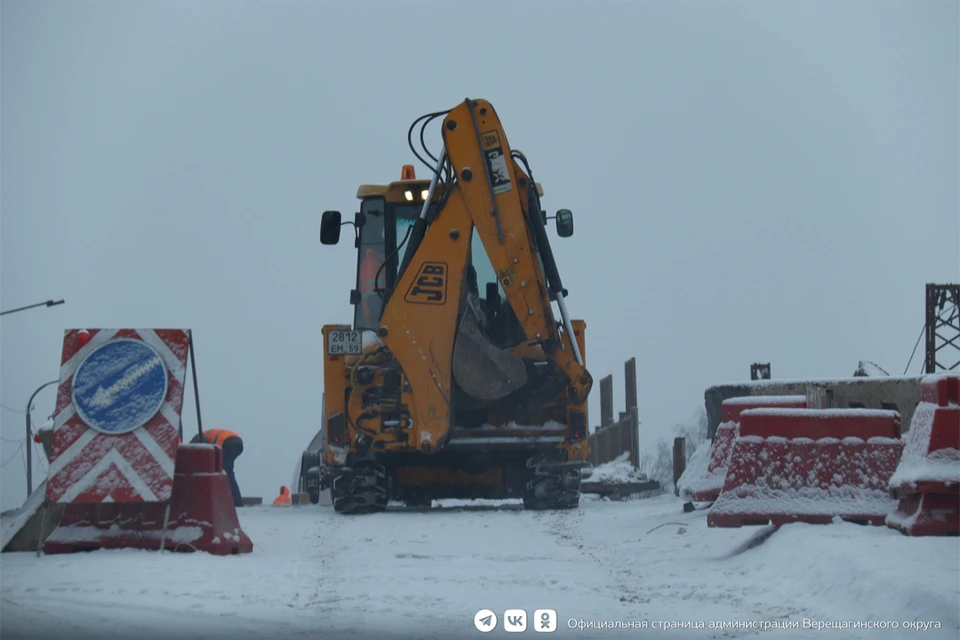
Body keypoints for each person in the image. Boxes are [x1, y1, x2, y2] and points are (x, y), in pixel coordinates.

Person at [190, 429, 245, 507]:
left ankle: (236, 501)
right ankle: (232, 499)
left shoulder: (198, 439)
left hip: (229, 443)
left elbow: (202, 451)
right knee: (226, 471)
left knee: (226, 471)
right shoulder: (206, 435)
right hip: (238, 443)